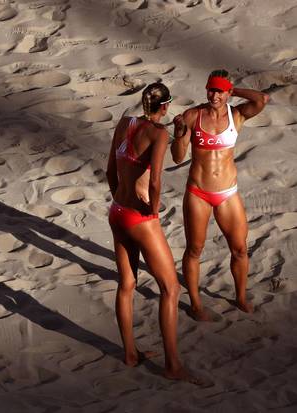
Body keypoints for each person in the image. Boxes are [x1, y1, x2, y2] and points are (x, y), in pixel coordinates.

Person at [107, 82, 194, 382]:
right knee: (171, 288)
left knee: (127, 283)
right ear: (166, 106)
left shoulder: (124, 123)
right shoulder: (158, 134)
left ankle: (130, 354)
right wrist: (152, 212)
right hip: (139, 218)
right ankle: (173, 366)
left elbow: (110, 172)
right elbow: (155, 181)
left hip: (116, 211)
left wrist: (121, 198)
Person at [171, 70, 269, 321]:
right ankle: (195, 304)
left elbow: (261, 100)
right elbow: (178, 157)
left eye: (219, 91)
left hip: (227, 193)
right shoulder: (193, 115)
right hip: (198, 193)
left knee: (239, 249)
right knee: (194, 249)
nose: (214, 95)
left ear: (227, 92)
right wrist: (180, 132)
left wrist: (232, 91)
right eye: (211, 90)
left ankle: (241, 298)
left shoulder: (236, 114)